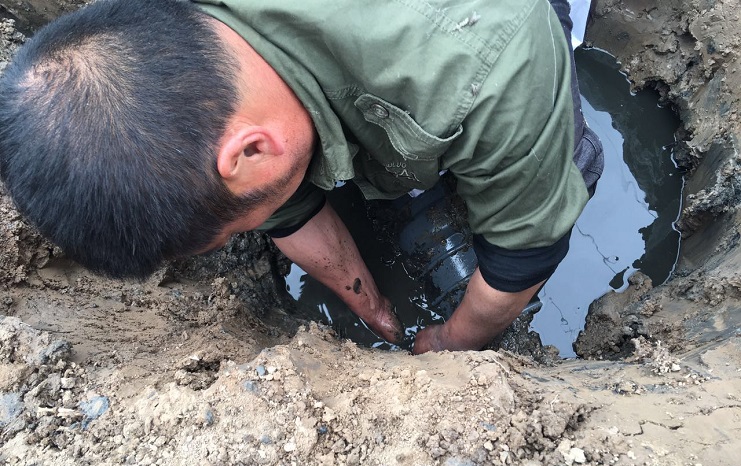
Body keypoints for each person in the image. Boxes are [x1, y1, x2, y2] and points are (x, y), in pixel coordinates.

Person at [0, 0, 602, 354]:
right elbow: (281, 204)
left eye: (236, 229)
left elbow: (527, 245)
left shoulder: (489, 63)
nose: (248, 231)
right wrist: (369, 304)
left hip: (491, 31)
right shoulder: (149, 46)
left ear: (251, 150)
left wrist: (450, 341)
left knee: (564, 163)